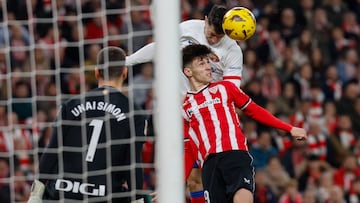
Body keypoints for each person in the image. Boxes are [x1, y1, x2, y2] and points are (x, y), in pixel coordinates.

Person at [127, 5, 243, 203]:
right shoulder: (188, 29)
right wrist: (128, 61)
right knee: (193, 178)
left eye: (219, 37)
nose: (214, 40)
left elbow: (230, 90)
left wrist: (201, 97)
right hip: (180, 113)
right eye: (212, 34)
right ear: (205, 20)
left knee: (213, 176)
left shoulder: (233, 51)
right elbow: (158, 48)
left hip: (209, 116)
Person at [181, 44, 307, 203]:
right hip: (209, 165)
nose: (208, 67)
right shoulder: (185, 107)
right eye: (201, 63)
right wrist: (176, 182)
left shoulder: (225, 88)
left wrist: (289, 128)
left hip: (234, 153)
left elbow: (255, 110)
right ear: (188, 71)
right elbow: (189, 149)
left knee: (243, 195)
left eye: (208, 62)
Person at [27, 47, 147, 203]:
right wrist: (137, 198)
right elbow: (132, 163)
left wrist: (36, 193)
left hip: (62, 193)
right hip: (103, 195)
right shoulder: (134, 113)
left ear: (97, 72)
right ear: (124, 73)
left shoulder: (71, 104)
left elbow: (52, 150)